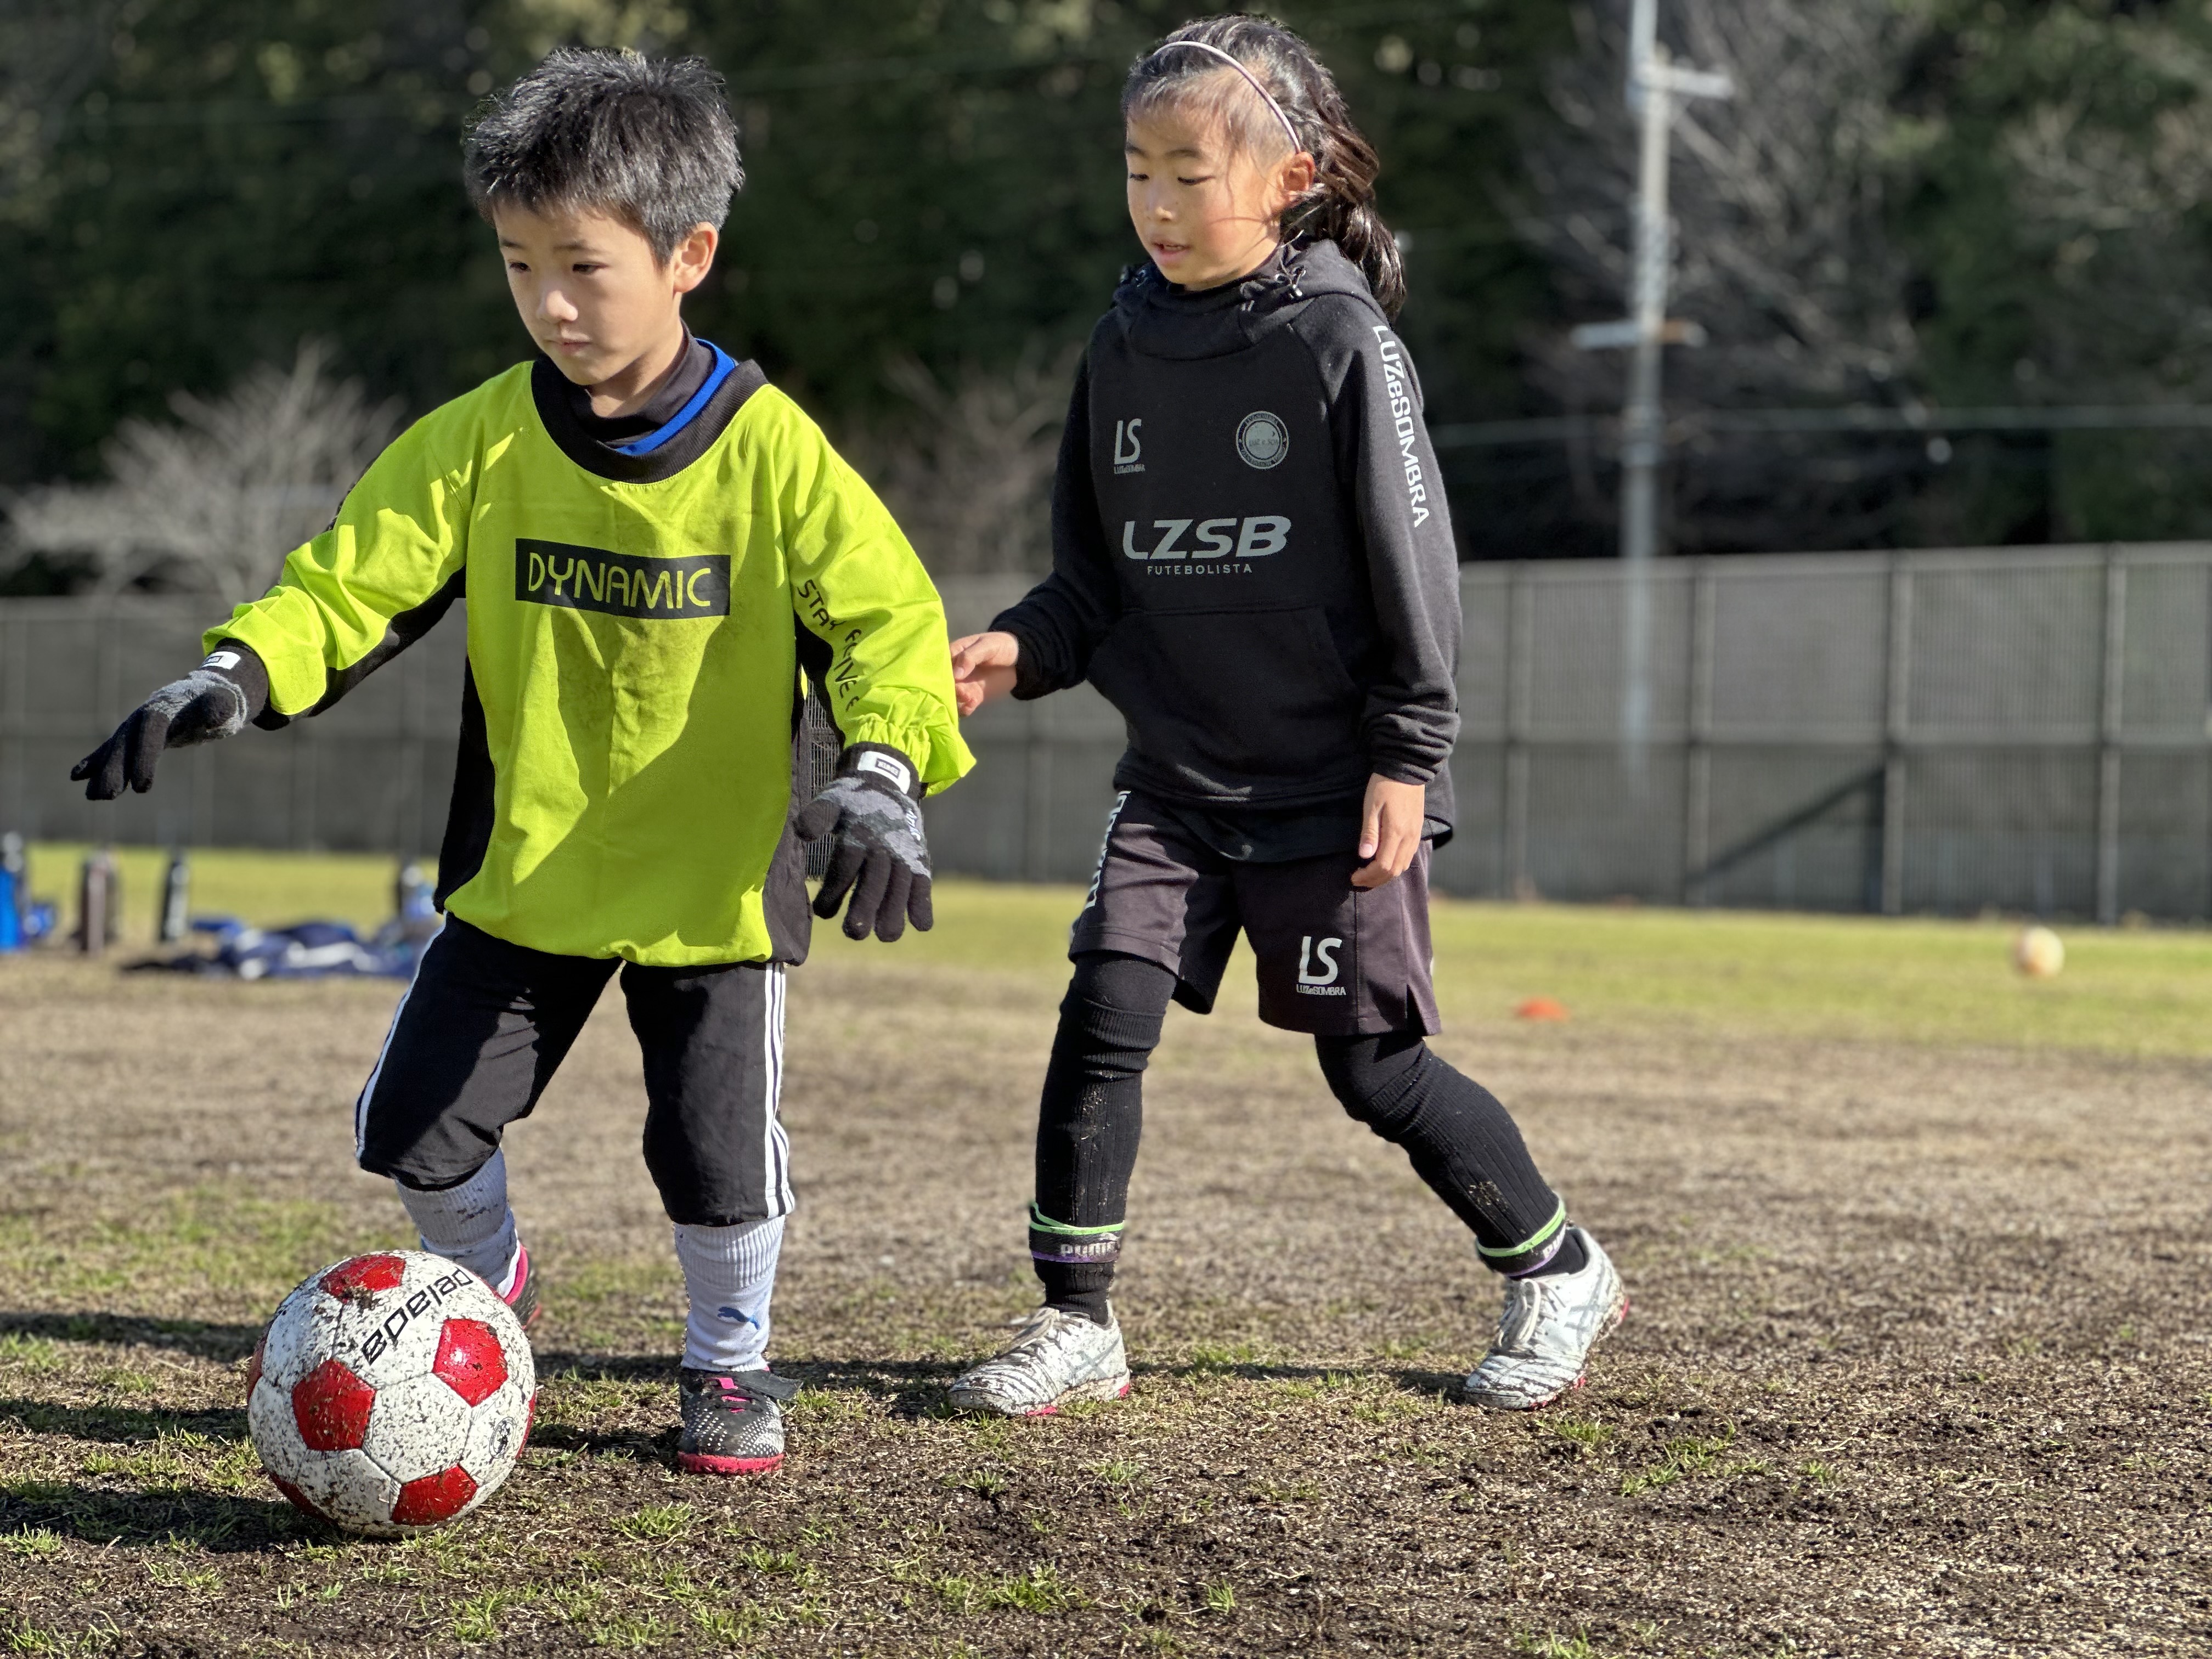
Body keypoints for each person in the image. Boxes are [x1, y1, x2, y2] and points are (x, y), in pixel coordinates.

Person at [70, 48, 970, 1479]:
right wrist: (236, 673)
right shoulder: (481, 442)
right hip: (528, 868)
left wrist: (884, 769)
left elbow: (888, 627)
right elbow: (348, 585)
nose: (549, 303)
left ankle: (728, 1361)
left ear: (689, 257)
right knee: (411, 1128)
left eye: (583, 268)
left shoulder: (772, 455)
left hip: (712, 885)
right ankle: (486, 1305)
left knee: (716, 1160)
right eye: (519, 265)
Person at [944, 15, 1623, 1418]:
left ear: (1291, 178)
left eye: (1189, 174)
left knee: (1371, 1068)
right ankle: (1077, 1320)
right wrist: (1022, 646)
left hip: (1335, 782)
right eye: (1138, 171)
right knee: (1106, 1006)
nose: (1157, 203)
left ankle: (1559, 1266)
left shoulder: (1339, 339)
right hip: (1179, 778)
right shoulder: (1119, 349)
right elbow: (1095, 580)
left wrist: (1407, 756)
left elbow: (1416, 567)